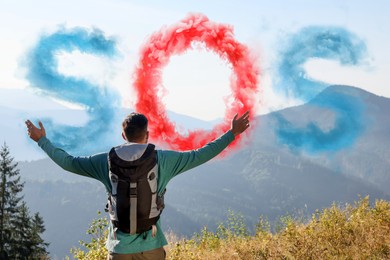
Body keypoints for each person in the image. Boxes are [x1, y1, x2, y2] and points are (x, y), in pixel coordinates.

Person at [25, 111, 250, 260]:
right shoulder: (163, 160)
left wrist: (41, 140)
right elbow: (200, 154)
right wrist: (232, 133)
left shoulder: (106, 161)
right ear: (147, 135)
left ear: (123, 135)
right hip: (151, 246)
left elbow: (68, 162)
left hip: (119, 248)